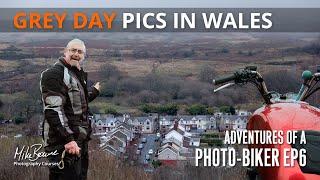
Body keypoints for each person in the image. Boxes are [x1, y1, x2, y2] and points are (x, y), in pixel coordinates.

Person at [40, 38, 100, 180]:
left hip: (78, 140)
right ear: (65, 51)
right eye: (73, 50)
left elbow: (77, 102)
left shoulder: (75, 73)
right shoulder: (55, 74)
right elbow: (53, 109)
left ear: (84, 55)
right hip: (62, 144)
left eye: (80, 52)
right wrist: (68, 139)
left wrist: (94, 91)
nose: (76, 54)